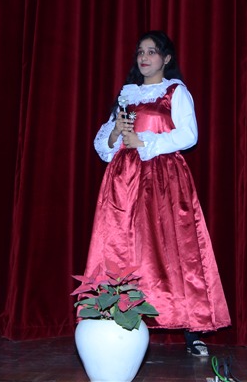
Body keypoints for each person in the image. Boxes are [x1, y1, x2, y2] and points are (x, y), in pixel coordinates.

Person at [84, 30, 231, 357]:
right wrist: (116, 134)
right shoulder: (127, 95)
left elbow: (189, 135)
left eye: (152, 52)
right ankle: (119, 321)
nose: (144, 57)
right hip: (124, 180)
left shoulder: (175, 92)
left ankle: (192, 329)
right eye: (141, 52)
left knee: (173, 249)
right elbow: (105, 144)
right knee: (124, 248)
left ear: (166, 58)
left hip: (163, 178)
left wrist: (145, 142)